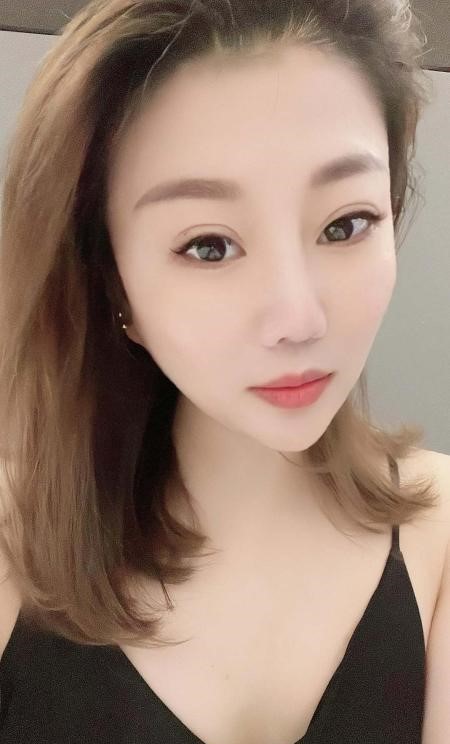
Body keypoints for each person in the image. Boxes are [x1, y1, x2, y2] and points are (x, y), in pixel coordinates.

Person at [0, 1, 449, 743]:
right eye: (208, 246)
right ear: (111, 280)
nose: (299, 318)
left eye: (346, 224)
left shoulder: (440, 536)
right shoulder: (14, 541)